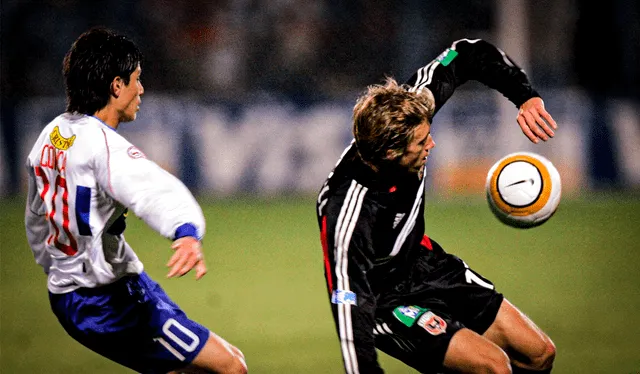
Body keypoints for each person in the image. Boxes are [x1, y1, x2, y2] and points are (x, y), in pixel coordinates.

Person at [315, 38, 558, 374]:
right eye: (421, 141)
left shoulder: (414, 106)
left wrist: (524, 95)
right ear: (390, 154)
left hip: (425, 264)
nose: (432, 142)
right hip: (384, 301)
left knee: (539, 353)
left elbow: (468, 52)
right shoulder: (348, 209)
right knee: (494, 368)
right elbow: (348, 300)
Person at [24, 27, 247, 374]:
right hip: (108, 299)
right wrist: (186, 231)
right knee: (232, 366)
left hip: (72, 294)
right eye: (136, 79)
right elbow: (153, 188)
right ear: (116, 86)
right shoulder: (104, 147)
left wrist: (57, 270)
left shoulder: (50, 137)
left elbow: (36, 219)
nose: (141, 89)